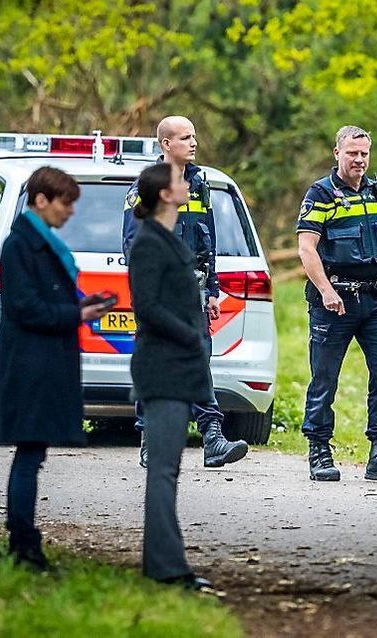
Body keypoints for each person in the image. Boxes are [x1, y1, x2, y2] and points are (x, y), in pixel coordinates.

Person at [0, 166, 112, 571]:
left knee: (32, 454)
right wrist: (76, 312)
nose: (71, 212)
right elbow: (23, 307)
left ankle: (25, 543)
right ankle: (23, 546)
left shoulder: (44, 244)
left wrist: (83, 306)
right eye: (65, 203)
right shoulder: (21, 245)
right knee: (29, 454)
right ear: (41, 200)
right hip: (29, 365)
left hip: (44, 362)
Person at [122, 115, 247, 469]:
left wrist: (212, 290)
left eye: (195, 136)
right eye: (185, 138)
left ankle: (212, 439)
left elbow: (208, 240)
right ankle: (151, 439)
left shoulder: (200, 184)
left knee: (197, 361)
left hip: (193, 292)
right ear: (166, 144)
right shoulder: (145, 189)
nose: (193, 143)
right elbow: (134, 245)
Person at [296, 125, 377, 482]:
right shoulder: (320, 194)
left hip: (376, 301)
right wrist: (325, 291)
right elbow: (307, 248)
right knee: (325, 377)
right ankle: (318, 448)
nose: (359, 160)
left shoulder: (376, 191)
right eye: (352, 153)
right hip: (335, 303)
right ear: (337, 153)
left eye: (364, 153)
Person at [128, 162, 213, 589]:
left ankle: (169, 564)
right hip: (161, 368)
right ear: (164, 194)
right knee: (162, 471)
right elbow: (148, 307)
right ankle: (166, 570)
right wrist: (190, 335)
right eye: (180, 181)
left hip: (180, 369)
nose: (186, 185)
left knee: (170, 471)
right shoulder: (147, 243)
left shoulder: (169, 238)